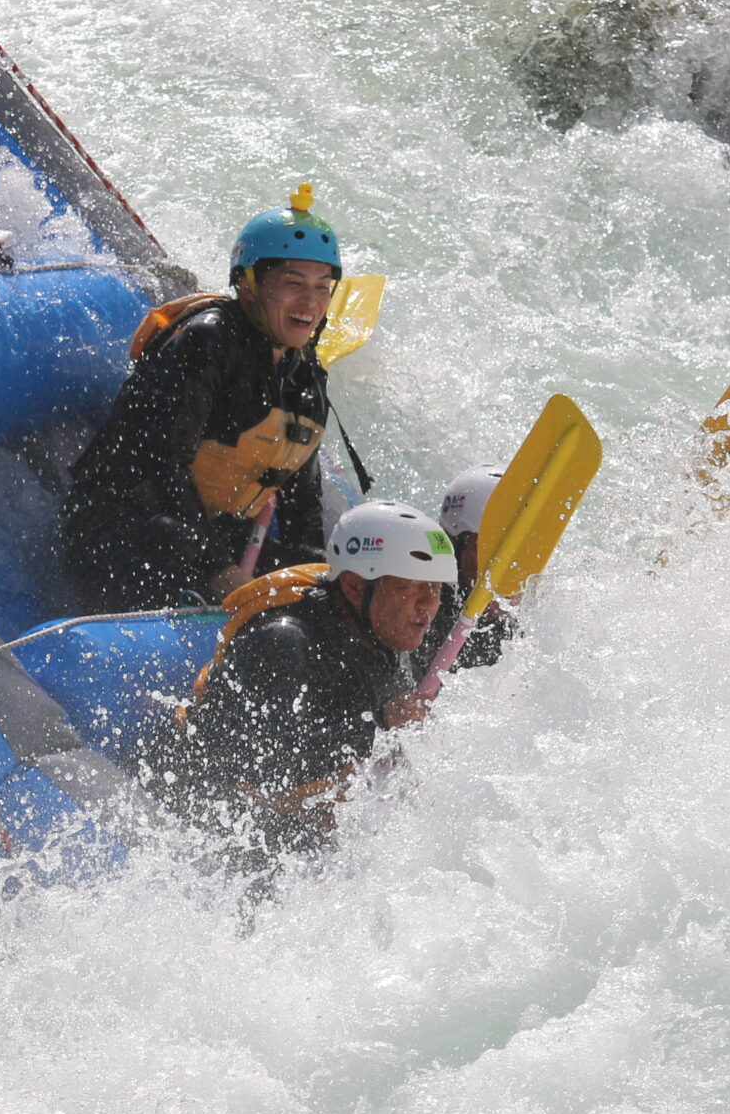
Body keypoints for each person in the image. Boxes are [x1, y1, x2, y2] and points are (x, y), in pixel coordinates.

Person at [59, 187, 343, 614]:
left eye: (323, 287)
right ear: (248, 285)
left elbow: (304, 505)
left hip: (212, 539)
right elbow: (164, 466)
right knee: (180, 541)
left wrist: (313, 583)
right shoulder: (206, 342)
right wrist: (224, 573)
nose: (311, 303)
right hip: (121, 530)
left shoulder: (304, 376)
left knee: (322, 580)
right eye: (293, 284)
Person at [143, 501, 457, 856]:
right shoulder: (282, 641)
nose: (428, 604)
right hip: (203, 808)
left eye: (436, 588)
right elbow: (274, 768)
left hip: (280, 811)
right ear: (355, 587)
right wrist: (381, 724)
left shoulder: (383, 634)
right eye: (410, 587)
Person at [417, 462, 519, 680]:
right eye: (492, 550)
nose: (512, 567)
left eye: (522, 551)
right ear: (454, 546)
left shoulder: (542, 617)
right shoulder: (419, 611)